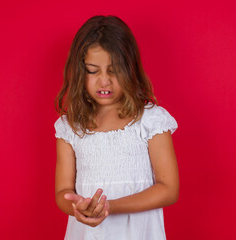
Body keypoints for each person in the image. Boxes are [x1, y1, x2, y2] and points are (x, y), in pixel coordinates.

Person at [54, 15, 179, 240]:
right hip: (88, 234)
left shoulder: (151, 121)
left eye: (114, 70)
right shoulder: (70, 126)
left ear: (130, 68)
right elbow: (63, 191)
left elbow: (169, 189)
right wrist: (80, 207)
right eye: (93, 70)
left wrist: (109, 206)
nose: (104, 81)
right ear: (80, 71)